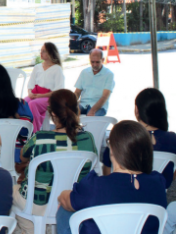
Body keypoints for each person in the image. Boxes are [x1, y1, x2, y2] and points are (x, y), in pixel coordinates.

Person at [57, 121, 167, 234]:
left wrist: (64, 196)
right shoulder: (158, 183)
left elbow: (65, 200)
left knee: (65, 208)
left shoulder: (94, 186)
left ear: (112, 150)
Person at [13, 89, 97, 234]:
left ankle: (29, 228)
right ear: (76, 109)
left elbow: (22, 157)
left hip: (37, 203)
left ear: (52, 114)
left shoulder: (39, 138)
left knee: (10, 189)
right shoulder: (88, 139)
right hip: (72, 201)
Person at [102, 88, 176, 189]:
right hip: (161, 193)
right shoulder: (173, 139)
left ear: (137, 110)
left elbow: (107, 174)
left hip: (126, 192)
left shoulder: (121, 137)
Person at [24, 42, 64, 132]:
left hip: (50, 97)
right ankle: (24, 130)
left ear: (50, 53)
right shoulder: (37, 67)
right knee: (23, 103)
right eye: (40, 51)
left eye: (44, 51)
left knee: (33, 104)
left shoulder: (57, 69)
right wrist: (30, 93)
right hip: (35, 94)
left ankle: (34, 131)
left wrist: (40, 96)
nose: (41, 53)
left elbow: (58, 90)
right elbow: (30, 84)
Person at [74, 49, 115, 116]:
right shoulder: (84, 72)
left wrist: (93, 110)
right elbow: (77, 92)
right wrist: (71, 105)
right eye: (92, 62)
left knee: (91, 120)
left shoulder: (109, 74)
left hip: (99, 106)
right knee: (67, 115)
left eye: (97, 62)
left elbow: (105, 96)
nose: (94, 65)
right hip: (83, 104)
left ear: (103, 60)